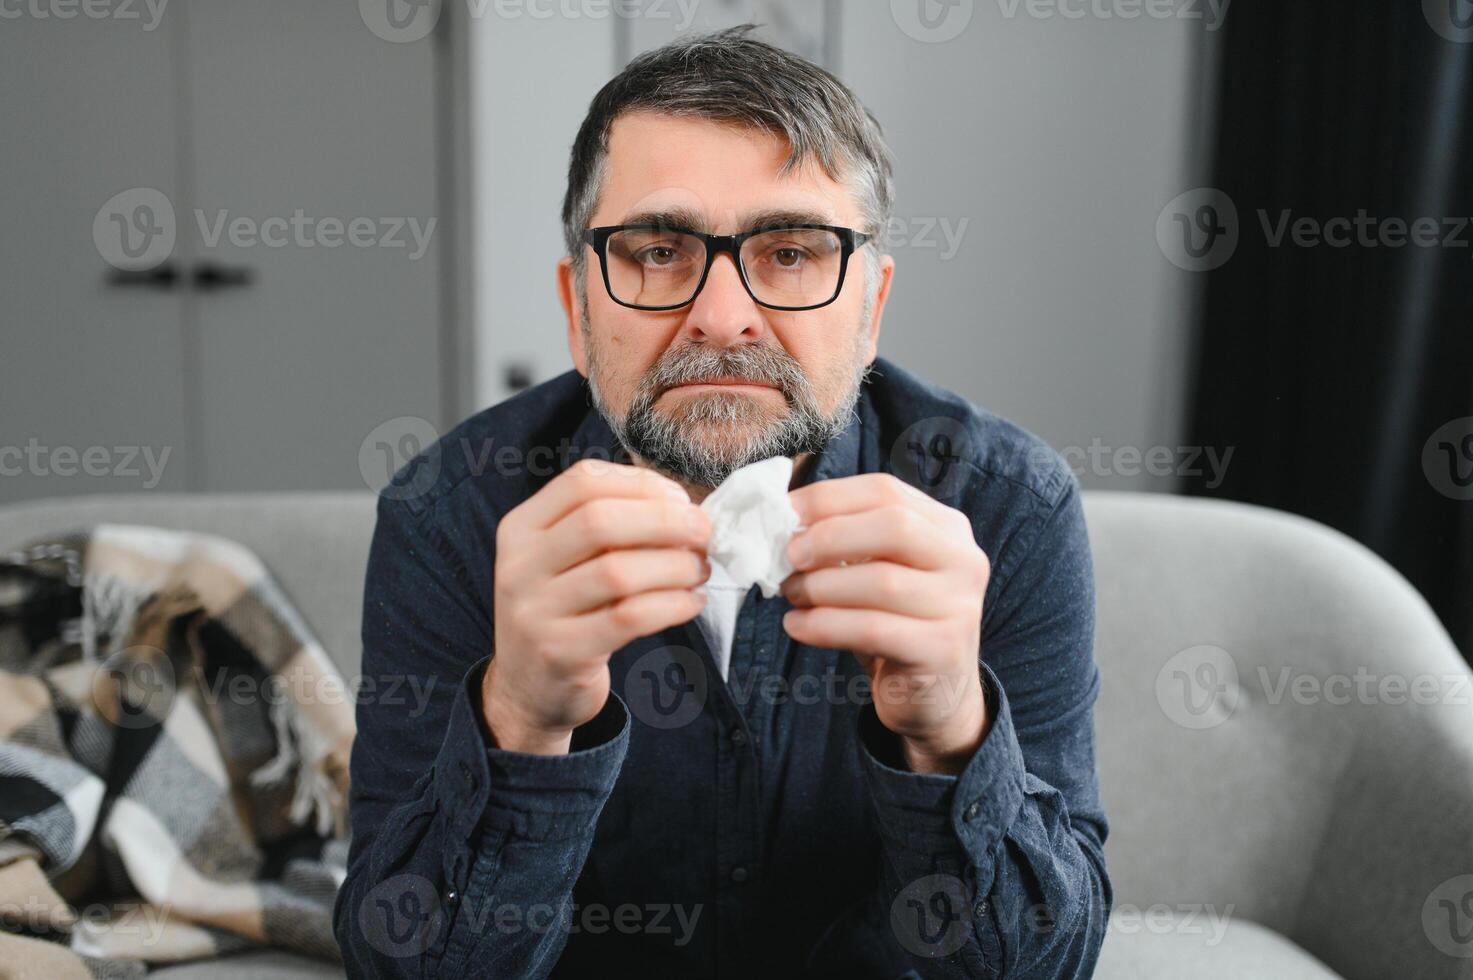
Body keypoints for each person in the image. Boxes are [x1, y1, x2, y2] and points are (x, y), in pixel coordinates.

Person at [334, 25, 1110, 978]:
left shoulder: (1009, 511)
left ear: (870, 309)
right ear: (577, 309)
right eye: (658, 250)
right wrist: (520, 722)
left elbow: (1048, 967)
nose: (722, 314)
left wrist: (949, 728)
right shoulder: (446, 517)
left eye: (789, 252)